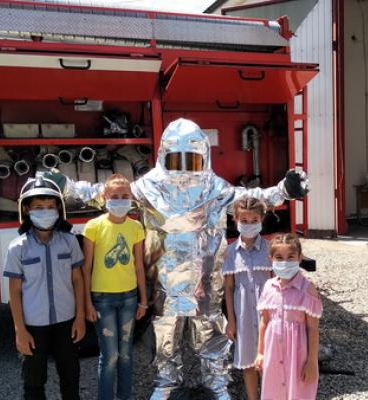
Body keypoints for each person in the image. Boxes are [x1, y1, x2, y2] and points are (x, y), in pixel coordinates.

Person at [52, 118, 309, 400]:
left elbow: (251, 199)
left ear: (204, 156)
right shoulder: (150, 186)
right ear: (164, 155)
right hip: (164, 282)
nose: (184, 166)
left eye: (192, 159)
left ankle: (216, 383)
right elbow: (105, 194)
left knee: (210, 333)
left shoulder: (214, 188)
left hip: (205, 281)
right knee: (165, 336)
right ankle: (165, 383)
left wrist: (284, 190)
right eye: (177, 158)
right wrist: (67, 187)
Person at [3, 177, 85, 400]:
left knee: (71, 378)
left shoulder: (69, 242)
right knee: (33, 382)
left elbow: (78, 280)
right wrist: (20, 331)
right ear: (26, 209)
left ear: (59, 208)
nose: (45, 212)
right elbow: (14, 292)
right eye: (38, 207)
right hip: (33, 325)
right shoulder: (17, 248)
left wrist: (80, 318)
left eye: (50, 206)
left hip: (66, 322)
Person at [82, 174, 147, 400]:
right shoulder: (93, 226)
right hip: (103, 300)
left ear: (131, 198)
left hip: (129, 298)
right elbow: (86, 267)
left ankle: (124, 396)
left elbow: (139, 266)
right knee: (109, 356)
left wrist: (143, 301)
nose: (120, 200)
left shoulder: (136, 227)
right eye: (115, 196)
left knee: (126, 354)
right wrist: (87, 303)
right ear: (104, 197)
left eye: (125, 196)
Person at [254, 233, 321, 400]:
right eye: (279, 257)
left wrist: (312, 362)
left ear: (300, 257)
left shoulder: (307, 289)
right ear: (271, 259)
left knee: (298, 392)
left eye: (290, 257)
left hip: (297, 357)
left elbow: (313, 328)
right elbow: (264, 322)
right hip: (273, 354)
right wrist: (260, 353)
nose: (285, 262)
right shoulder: (268, 287)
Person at [223, 197, 273, 400]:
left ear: (261, 220)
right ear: (235, 220)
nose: (249, 224)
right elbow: (229, 288)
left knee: (269, 361)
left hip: (268, 317)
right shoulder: (230, 252)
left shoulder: (271, 249)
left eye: (254, 220)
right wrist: (231, 321)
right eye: (244, 220)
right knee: (249, 364)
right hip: (243, 316)